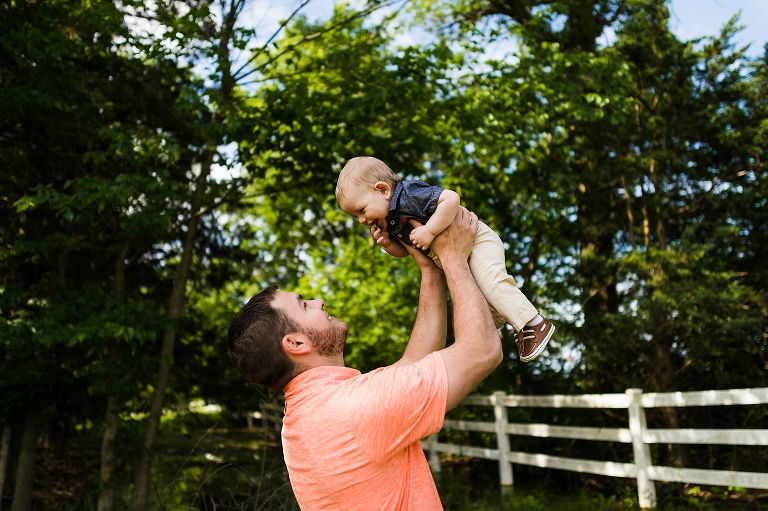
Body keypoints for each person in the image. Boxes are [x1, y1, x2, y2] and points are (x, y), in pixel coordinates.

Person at [227, 208, 502, 511]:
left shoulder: (311, 415)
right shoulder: (353, 409)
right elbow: (481, 350)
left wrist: (430, 270)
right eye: (305, 306)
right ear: (295, 342)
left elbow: (414, 361)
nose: (319, 301)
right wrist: (453, 257)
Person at [335, 156, 554, 362]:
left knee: (491, 281)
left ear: (382, 189)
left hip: (475, 241)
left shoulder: (408, 195)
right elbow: (408, 250)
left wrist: (430, 230)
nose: (362, 220)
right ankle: (511, 324)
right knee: (482, 300)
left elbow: (450, 198)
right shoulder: (389, 220)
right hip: (456, 256)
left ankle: (533, 323)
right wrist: (388, 244)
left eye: (361, 210)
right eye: (356, 217)